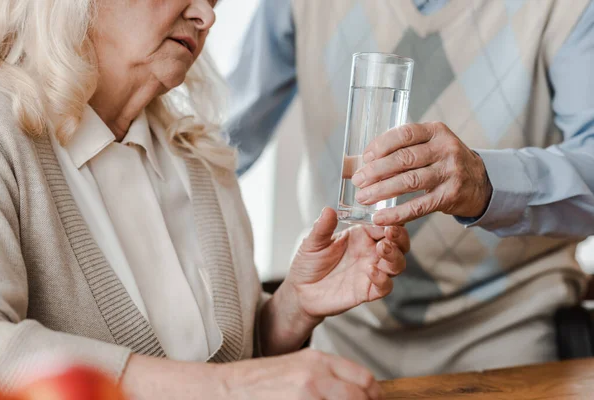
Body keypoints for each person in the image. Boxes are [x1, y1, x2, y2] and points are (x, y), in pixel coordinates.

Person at [0, 1, 413, 399]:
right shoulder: (3, 134)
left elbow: (238, 359)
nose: (207, 15)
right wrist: (228, 389)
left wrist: (291, 309)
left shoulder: (200, 156)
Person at [226, 0, 594, 378]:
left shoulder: (570, 8)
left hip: (507, 333)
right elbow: (217, 138)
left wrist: (485, 181)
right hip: (340, 328)